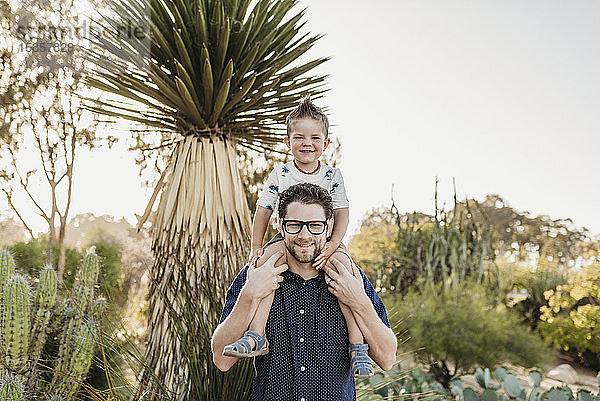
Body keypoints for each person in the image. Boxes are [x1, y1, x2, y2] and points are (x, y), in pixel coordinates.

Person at [221, 96, 375, 377]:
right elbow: (263, 210)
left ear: (326, 143)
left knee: (345, 273)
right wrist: (257, 246)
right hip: (286, 237)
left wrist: (333, 244)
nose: (307, 143)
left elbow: (342, 213)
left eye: (315, 137)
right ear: (287, 141)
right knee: (266, 267)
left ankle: (357, 347)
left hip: (326, 239)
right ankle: (256, 334)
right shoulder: (280, 173)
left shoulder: (332, 175)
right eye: (299, 137)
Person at [211, 183, 397, 401]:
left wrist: (359, 302)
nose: (304, 235)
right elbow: (221, 360)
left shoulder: (350, 278)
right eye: (294, 225)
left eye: (315, 226)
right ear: (281, 226)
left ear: (329, 227)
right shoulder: (257, 275)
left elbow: (387, 358)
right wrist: (249, 294)